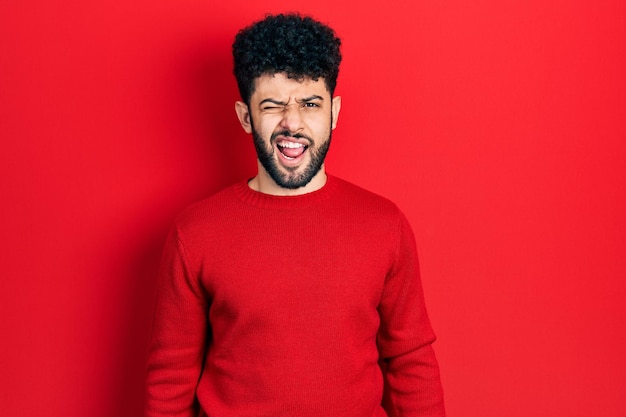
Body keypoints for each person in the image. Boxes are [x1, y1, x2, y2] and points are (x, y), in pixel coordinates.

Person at [145, 13, 445, 417]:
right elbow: (170, 379)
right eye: (272, 105)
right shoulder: (195, 232)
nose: (292, 122)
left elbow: (411, 364)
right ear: (245, 116)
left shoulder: (384, 224)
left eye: (310, 103)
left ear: (334, 112)